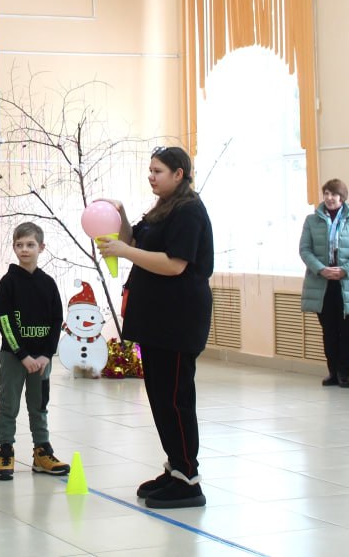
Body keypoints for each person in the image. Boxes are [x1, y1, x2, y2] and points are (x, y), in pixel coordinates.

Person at [98, 146, 214, 510]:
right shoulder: (162, 207)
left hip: (178, 319)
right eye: (150, 170)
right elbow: (135, 241)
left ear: (179, 174)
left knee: (176, 399)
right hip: (156, 319)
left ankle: (189, 479)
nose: (151, 176)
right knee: (160, 397)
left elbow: (174, 264)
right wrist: (121, 215)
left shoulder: (188, 210)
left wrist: (123, 252)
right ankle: (176, 467)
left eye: (158, 170)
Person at [0, 222, 69, 481]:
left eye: (30, 244)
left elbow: (56, 320)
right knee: (9, 404)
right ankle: (5, 450)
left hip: (42, 360)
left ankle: (42, 452)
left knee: (39, 405)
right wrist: (22, 355)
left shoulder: (48, 283)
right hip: (14, 357)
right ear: (14, 247)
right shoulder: (8, 283)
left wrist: (47, 355)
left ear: (41, 247)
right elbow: (5, 321)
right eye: (19, 245)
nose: (24, 249)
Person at [298, 179, 349, 389]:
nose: (329, 198)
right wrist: (321, 269)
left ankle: (344, 373)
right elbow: (305, 249)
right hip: (322, 283)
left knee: (348, 331)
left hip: (348, 283)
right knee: (329, 331)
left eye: (334, 194)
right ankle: (332, 371)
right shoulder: (312, 220)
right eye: (326, 194)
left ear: (342, 197)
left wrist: (345, 269)